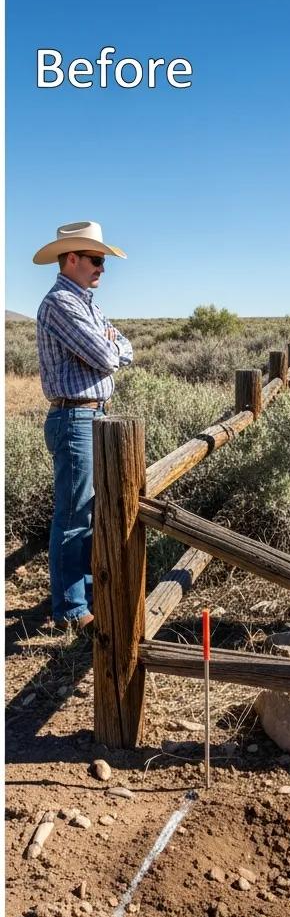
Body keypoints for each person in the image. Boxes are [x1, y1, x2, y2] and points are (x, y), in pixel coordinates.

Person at [33, 221, 133, 629]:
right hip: (75, 414)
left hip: (92, 413)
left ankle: (84, 595)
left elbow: (125, 348)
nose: (102, 269)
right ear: (71, 258)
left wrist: (110, 343)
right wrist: (109, 344)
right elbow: (109, 356)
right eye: (96, 260)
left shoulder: (86, 303)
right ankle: (71, 610)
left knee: (89, 511)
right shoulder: (62, 303)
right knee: (74, 514)